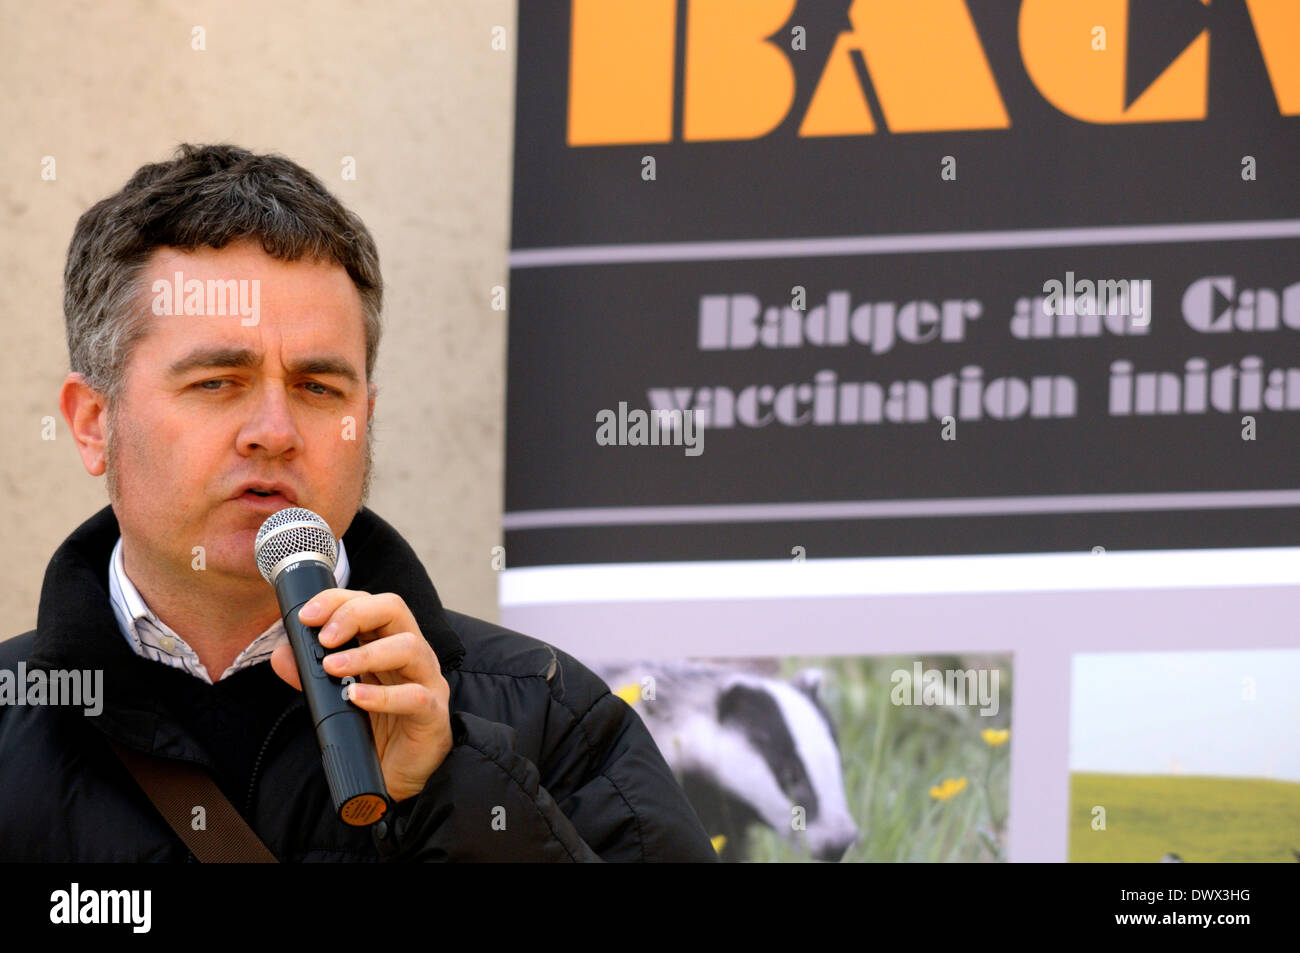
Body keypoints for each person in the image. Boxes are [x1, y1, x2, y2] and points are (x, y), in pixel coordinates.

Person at [0, 143, 718, 862]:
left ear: (364, 417)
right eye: (218, 381)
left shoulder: (550, 717)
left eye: (318, 388)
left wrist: (455, 786)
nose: (275, 433)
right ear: (94, 422)